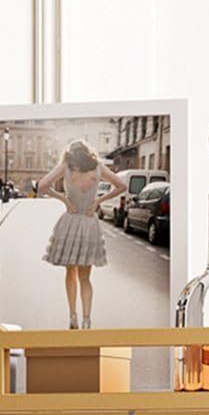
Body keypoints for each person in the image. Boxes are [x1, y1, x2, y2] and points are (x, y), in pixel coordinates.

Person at [38, 140, 126, 329]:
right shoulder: (98, 167)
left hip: (70, 221)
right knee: (86, 277)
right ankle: (87, 320)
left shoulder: (67, 167)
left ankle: (72, 317)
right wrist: (98, 201)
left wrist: (65, 200)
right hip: (89, 223)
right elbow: (121, 186)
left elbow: (42, 185)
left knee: (71, 272)